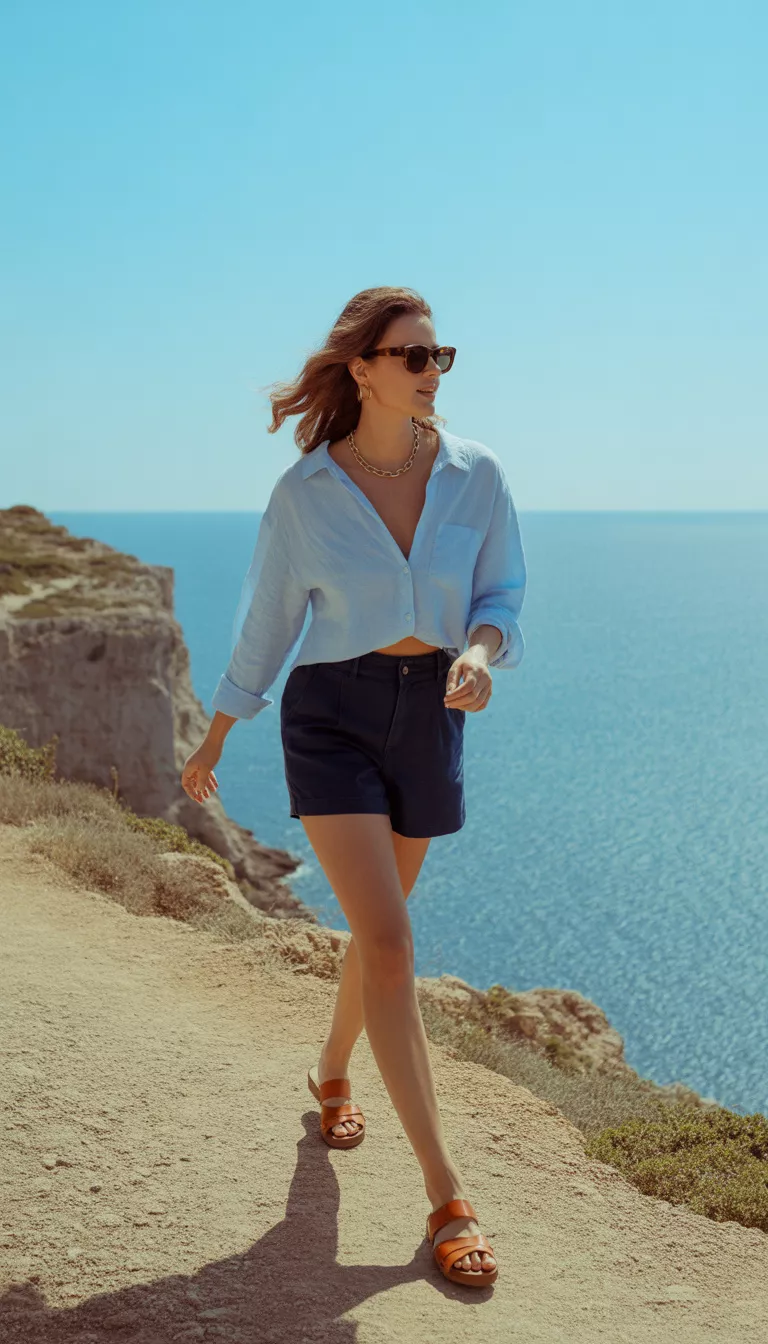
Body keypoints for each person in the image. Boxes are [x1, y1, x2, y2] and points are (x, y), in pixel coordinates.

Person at [181, 285, 527, 1289]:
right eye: (413, 356)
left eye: (439, 357)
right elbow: (268, 626)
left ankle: (332, 1072)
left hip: (434, 713)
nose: (430, 373)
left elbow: (503, 593)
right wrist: (213, 739)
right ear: (363, 368)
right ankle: (447, 1200)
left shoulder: (477, 476)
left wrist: (479, 653)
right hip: (331, 716)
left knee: (382, 933)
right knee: (390, 941)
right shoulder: (307, 495)